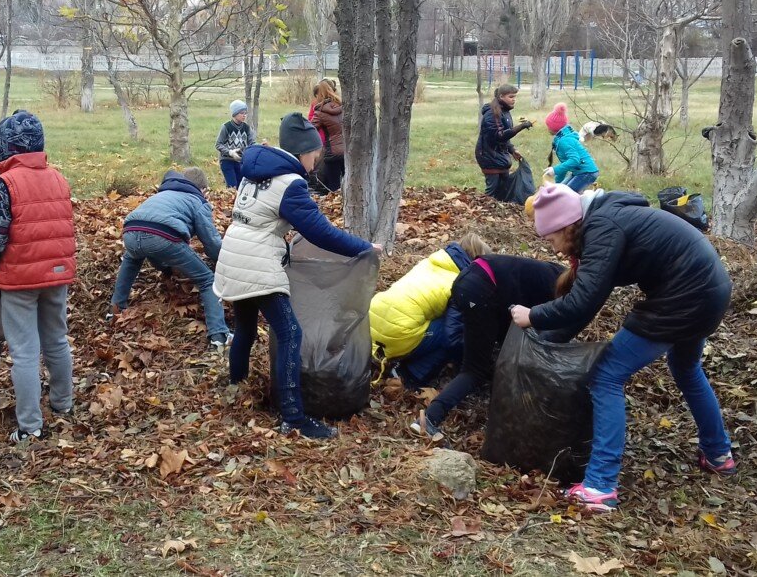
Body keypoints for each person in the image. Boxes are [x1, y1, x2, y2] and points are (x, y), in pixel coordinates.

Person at [510, 183, 735, 512]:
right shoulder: (606, 219)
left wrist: (533, 316)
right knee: (686, 369)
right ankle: (718, 453)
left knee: (605, 375)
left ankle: (600, 485)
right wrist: (546, 342)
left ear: (567, 225)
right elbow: (588, 303)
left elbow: (583, 301)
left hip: (684, 297)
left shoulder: (603, 227)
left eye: (552, 238)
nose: (555, 248)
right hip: (711, 291)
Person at [214, 112, 379, 439]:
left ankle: (236, 387)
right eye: (315, 153)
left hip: (233, 255)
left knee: (245, 327)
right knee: (291, 334)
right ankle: (293, 417)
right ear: (303, 151)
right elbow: (321, 233)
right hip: (256, 262)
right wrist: (364, 248)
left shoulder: (256, 171)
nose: (318, 159)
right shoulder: (290, 183)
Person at [0, 110, 76, 443]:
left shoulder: (4, 184)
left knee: (25, 351)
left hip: (19, 279)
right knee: (56, 339)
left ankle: (30, 425)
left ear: (6, 145)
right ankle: (63, 404)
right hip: (56, 273)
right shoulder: (58, 177)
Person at [412, 251, 564, 437]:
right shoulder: (558, 290)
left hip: (469, 280)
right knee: (474, 370)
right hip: (482, 289)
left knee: (481, 359)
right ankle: (429, 419)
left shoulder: (547, 274)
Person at [110, 167, 230, 352]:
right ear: (204, 190)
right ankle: (219, 336)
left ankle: (115, 311)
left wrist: (168, 268)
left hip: (130, 231)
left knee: (132, 259)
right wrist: (225, 263)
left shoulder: (164, 194)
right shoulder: (198, 201)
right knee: (207, 280)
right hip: (163, 236)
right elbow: (212, 244)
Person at [369, 234, 488, 388]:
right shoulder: (461, 282)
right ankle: (411, 375)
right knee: (458, 330)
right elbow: (452, 337)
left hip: (371, 321)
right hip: (397, 333)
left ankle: (386, 356)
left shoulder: (431, 262)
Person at [475, 84, 533, 197]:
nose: (514, 100)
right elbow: (499, 136)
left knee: (503, 188)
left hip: (500, 155)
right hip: (488, 156)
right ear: (501, 96)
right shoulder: (492, 114)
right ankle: (484, 210)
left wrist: (512, 149)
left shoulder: (505, 111)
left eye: (515, 97)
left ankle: (500, 212)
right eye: (511, 97)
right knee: (492, 189)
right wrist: (520, 127)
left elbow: (504, 137)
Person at [544, 103, 599, 192]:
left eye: (548, 126)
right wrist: (557, 184)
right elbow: (565, 164)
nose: (547, 128)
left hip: (587, 173)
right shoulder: (561, 139)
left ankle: (582, 205)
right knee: (560, 190)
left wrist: (555, 170)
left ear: (554, 128)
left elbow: (574, 160)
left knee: (566, 194)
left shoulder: (564, 141)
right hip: (579, 172)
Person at [310, 79, 345, 193]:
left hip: (332, 153)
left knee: (333, 187)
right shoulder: (343, 106)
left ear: (319, 94)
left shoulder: (320, 112)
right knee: (349, 183)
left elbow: (310, 129)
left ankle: (335, 208)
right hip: (348, 151)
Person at [215, 100, 257, 188]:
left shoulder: (247, 128)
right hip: (227, 160)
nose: (244, 115)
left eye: (245, 113)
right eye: (242, 113)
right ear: (235, 114)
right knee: (232, 187)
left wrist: (260, 147)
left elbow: (252, 143)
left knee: (241, 186)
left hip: (240, 161)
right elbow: (218, 144)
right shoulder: (226, 127)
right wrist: (230, 152)